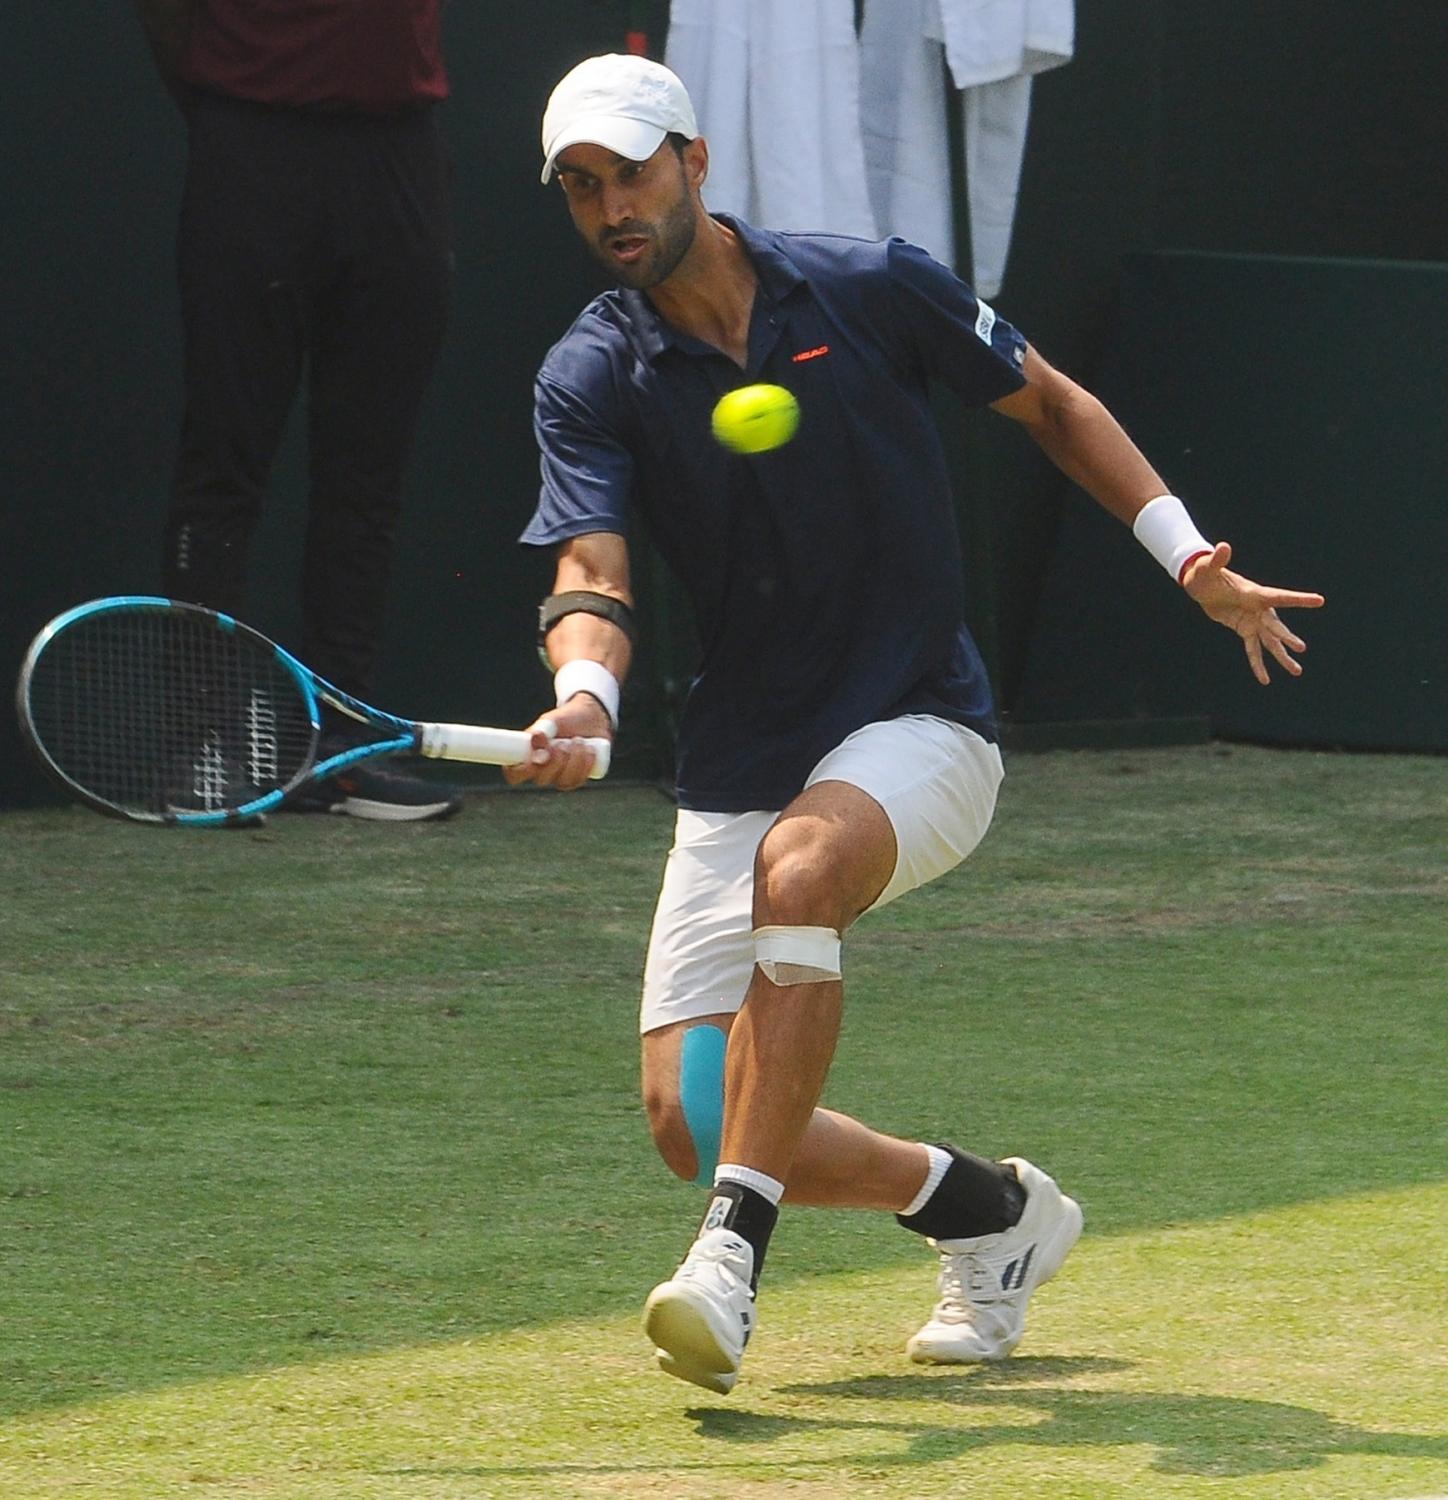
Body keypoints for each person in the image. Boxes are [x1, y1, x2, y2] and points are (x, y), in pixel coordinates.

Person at [508, 53, 1325, 1395]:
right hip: (745, 750)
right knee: (690, 1115)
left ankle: (731, 1256)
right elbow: (591, 569)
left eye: (632, 175)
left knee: (804, 872)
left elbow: (1054, 402)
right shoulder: (590, 372)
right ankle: (991, 1217)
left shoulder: (871, 284)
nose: (611, 208)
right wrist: (583, 694)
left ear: (695, 165)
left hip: (922, 721)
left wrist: (1188, 560)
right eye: (583, 188)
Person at [133, 0, 463, 821]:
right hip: (252, 146)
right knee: (222, 470)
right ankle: (200, 752)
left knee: (367, 477)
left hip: (397, 153)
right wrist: (243, 101)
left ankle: (338, 752)